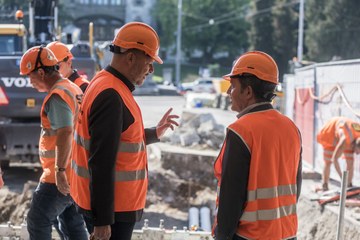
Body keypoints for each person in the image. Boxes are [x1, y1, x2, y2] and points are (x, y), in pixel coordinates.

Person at [70, 22, 179, 240]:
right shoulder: (111, 95)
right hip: (113, 212)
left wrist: (154, 133)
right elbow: (101, 162)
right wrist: (102, 221)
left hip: (112, 207)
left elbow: (117, 141)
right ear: (130, 57)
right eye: (149, 62)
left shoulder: (105, 82)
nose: (151, 70)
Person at [212, 51, 302, 240]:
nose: (228, 92)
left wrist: (221, 236)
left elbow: (231, 197)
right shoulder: (291, 128)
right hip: (286, 233)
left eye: (232, 86)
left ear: (248, 91)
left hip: (250, 236)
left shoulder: (241, 131)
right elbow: (296, 188)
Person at [19, 46, 88, 240]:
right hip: (75, 171)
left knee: (37, 220)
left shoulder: (57, 96)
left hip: (58, 176)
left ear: (41, 72)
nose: (29, 82)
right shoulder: (71, 88)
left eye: (29, 76)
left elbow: (65, 132)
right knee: (71, 224)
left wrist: (59, 171)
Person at [317, 117, 360, 191]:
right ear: (355, 145)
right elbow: (334, 159)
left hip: (346, 136)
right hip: (330, 133)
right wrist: (342, 179)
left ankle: (349, 185)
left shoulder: (356, 137)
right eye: (358, 151)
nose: (358, 153)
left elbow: (350, 164)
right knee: (328, 161)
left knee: (350, 161)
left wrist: (347, 185)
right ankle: (325, 185)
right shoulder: (345, 139)